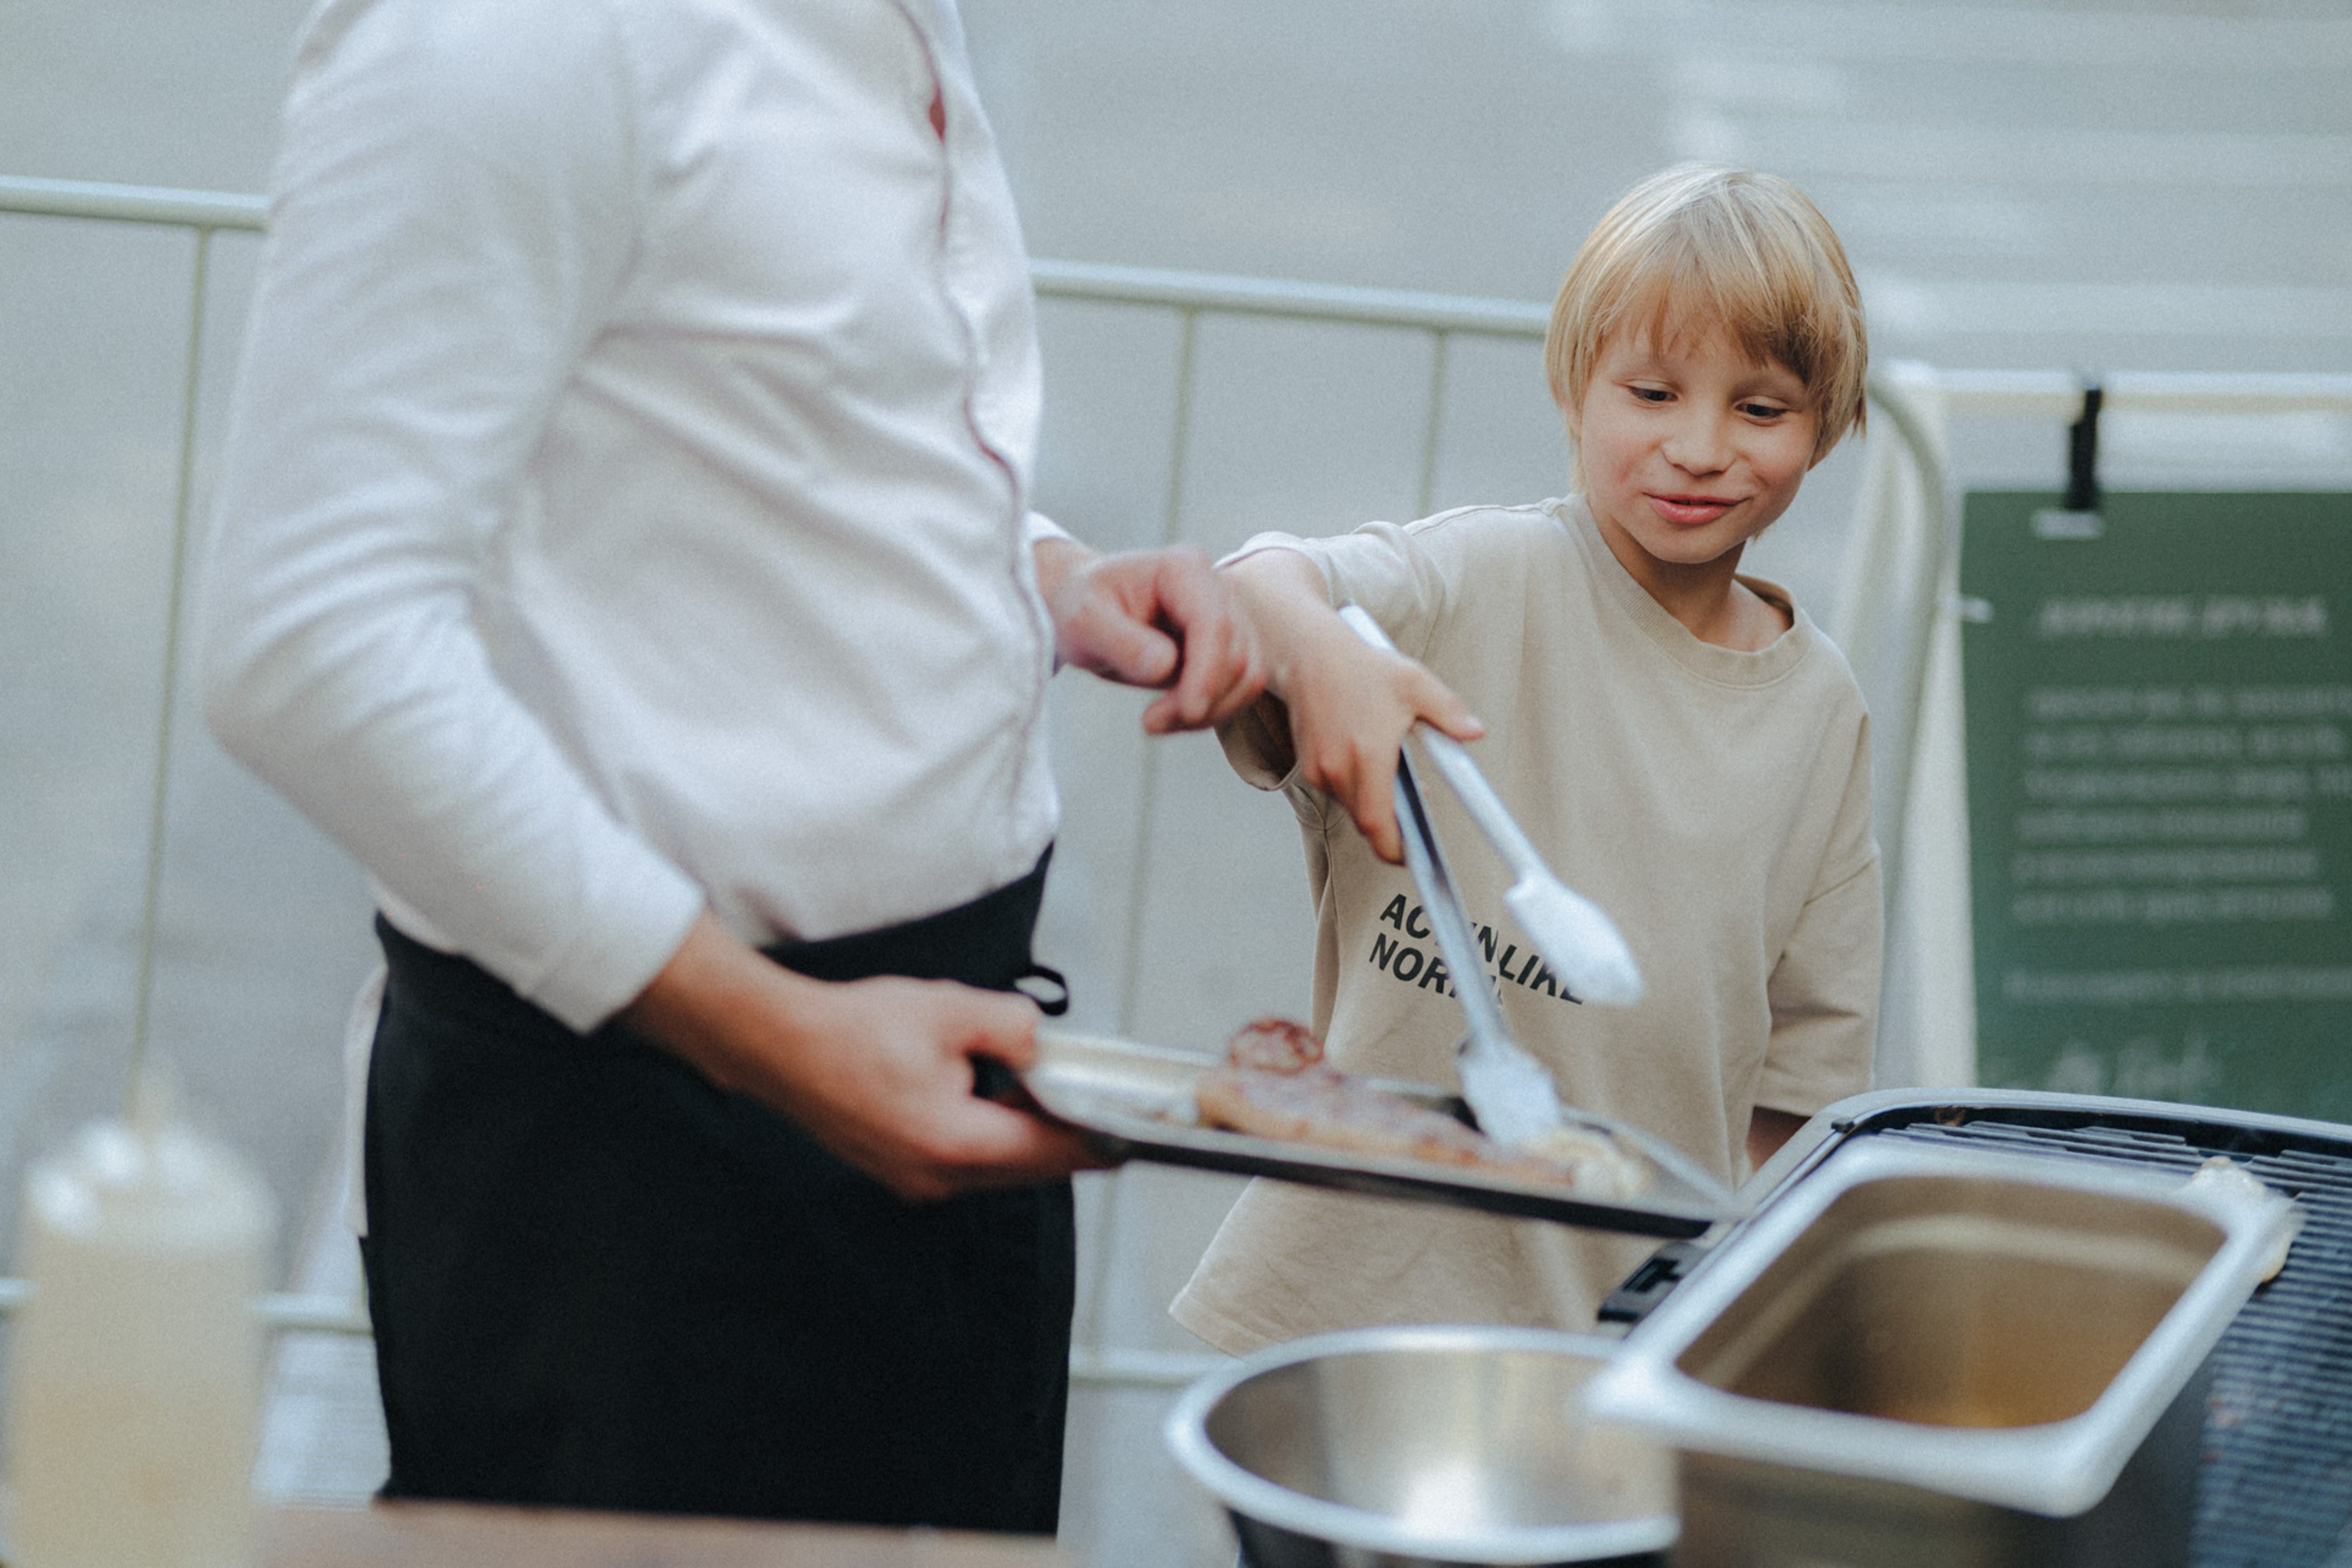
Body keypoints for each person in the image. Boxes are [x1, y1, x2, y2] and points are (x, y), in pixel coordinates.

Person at [198, 0, 1262, 1534]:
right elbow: (305, 640)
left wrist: (1031, 575)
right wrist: (769, 1034)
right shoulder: (509, 36)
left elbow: (750, 432)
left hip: (911, 1078)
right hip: (642, 1157)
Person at [1170, 164, 1882, 1354]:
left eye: (1760, 410)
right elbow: (1259, 583)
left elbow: (1802, 1085)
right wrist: (1322, 659)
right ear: (1572, 389)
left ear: (1829, 423)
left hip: (1623, 1326)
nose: (1700, 447)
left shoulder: (1820, 711)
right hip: (1347, 1299)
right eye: (1652, 392)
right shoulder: (1475, 582)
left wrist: (1731, 1310)